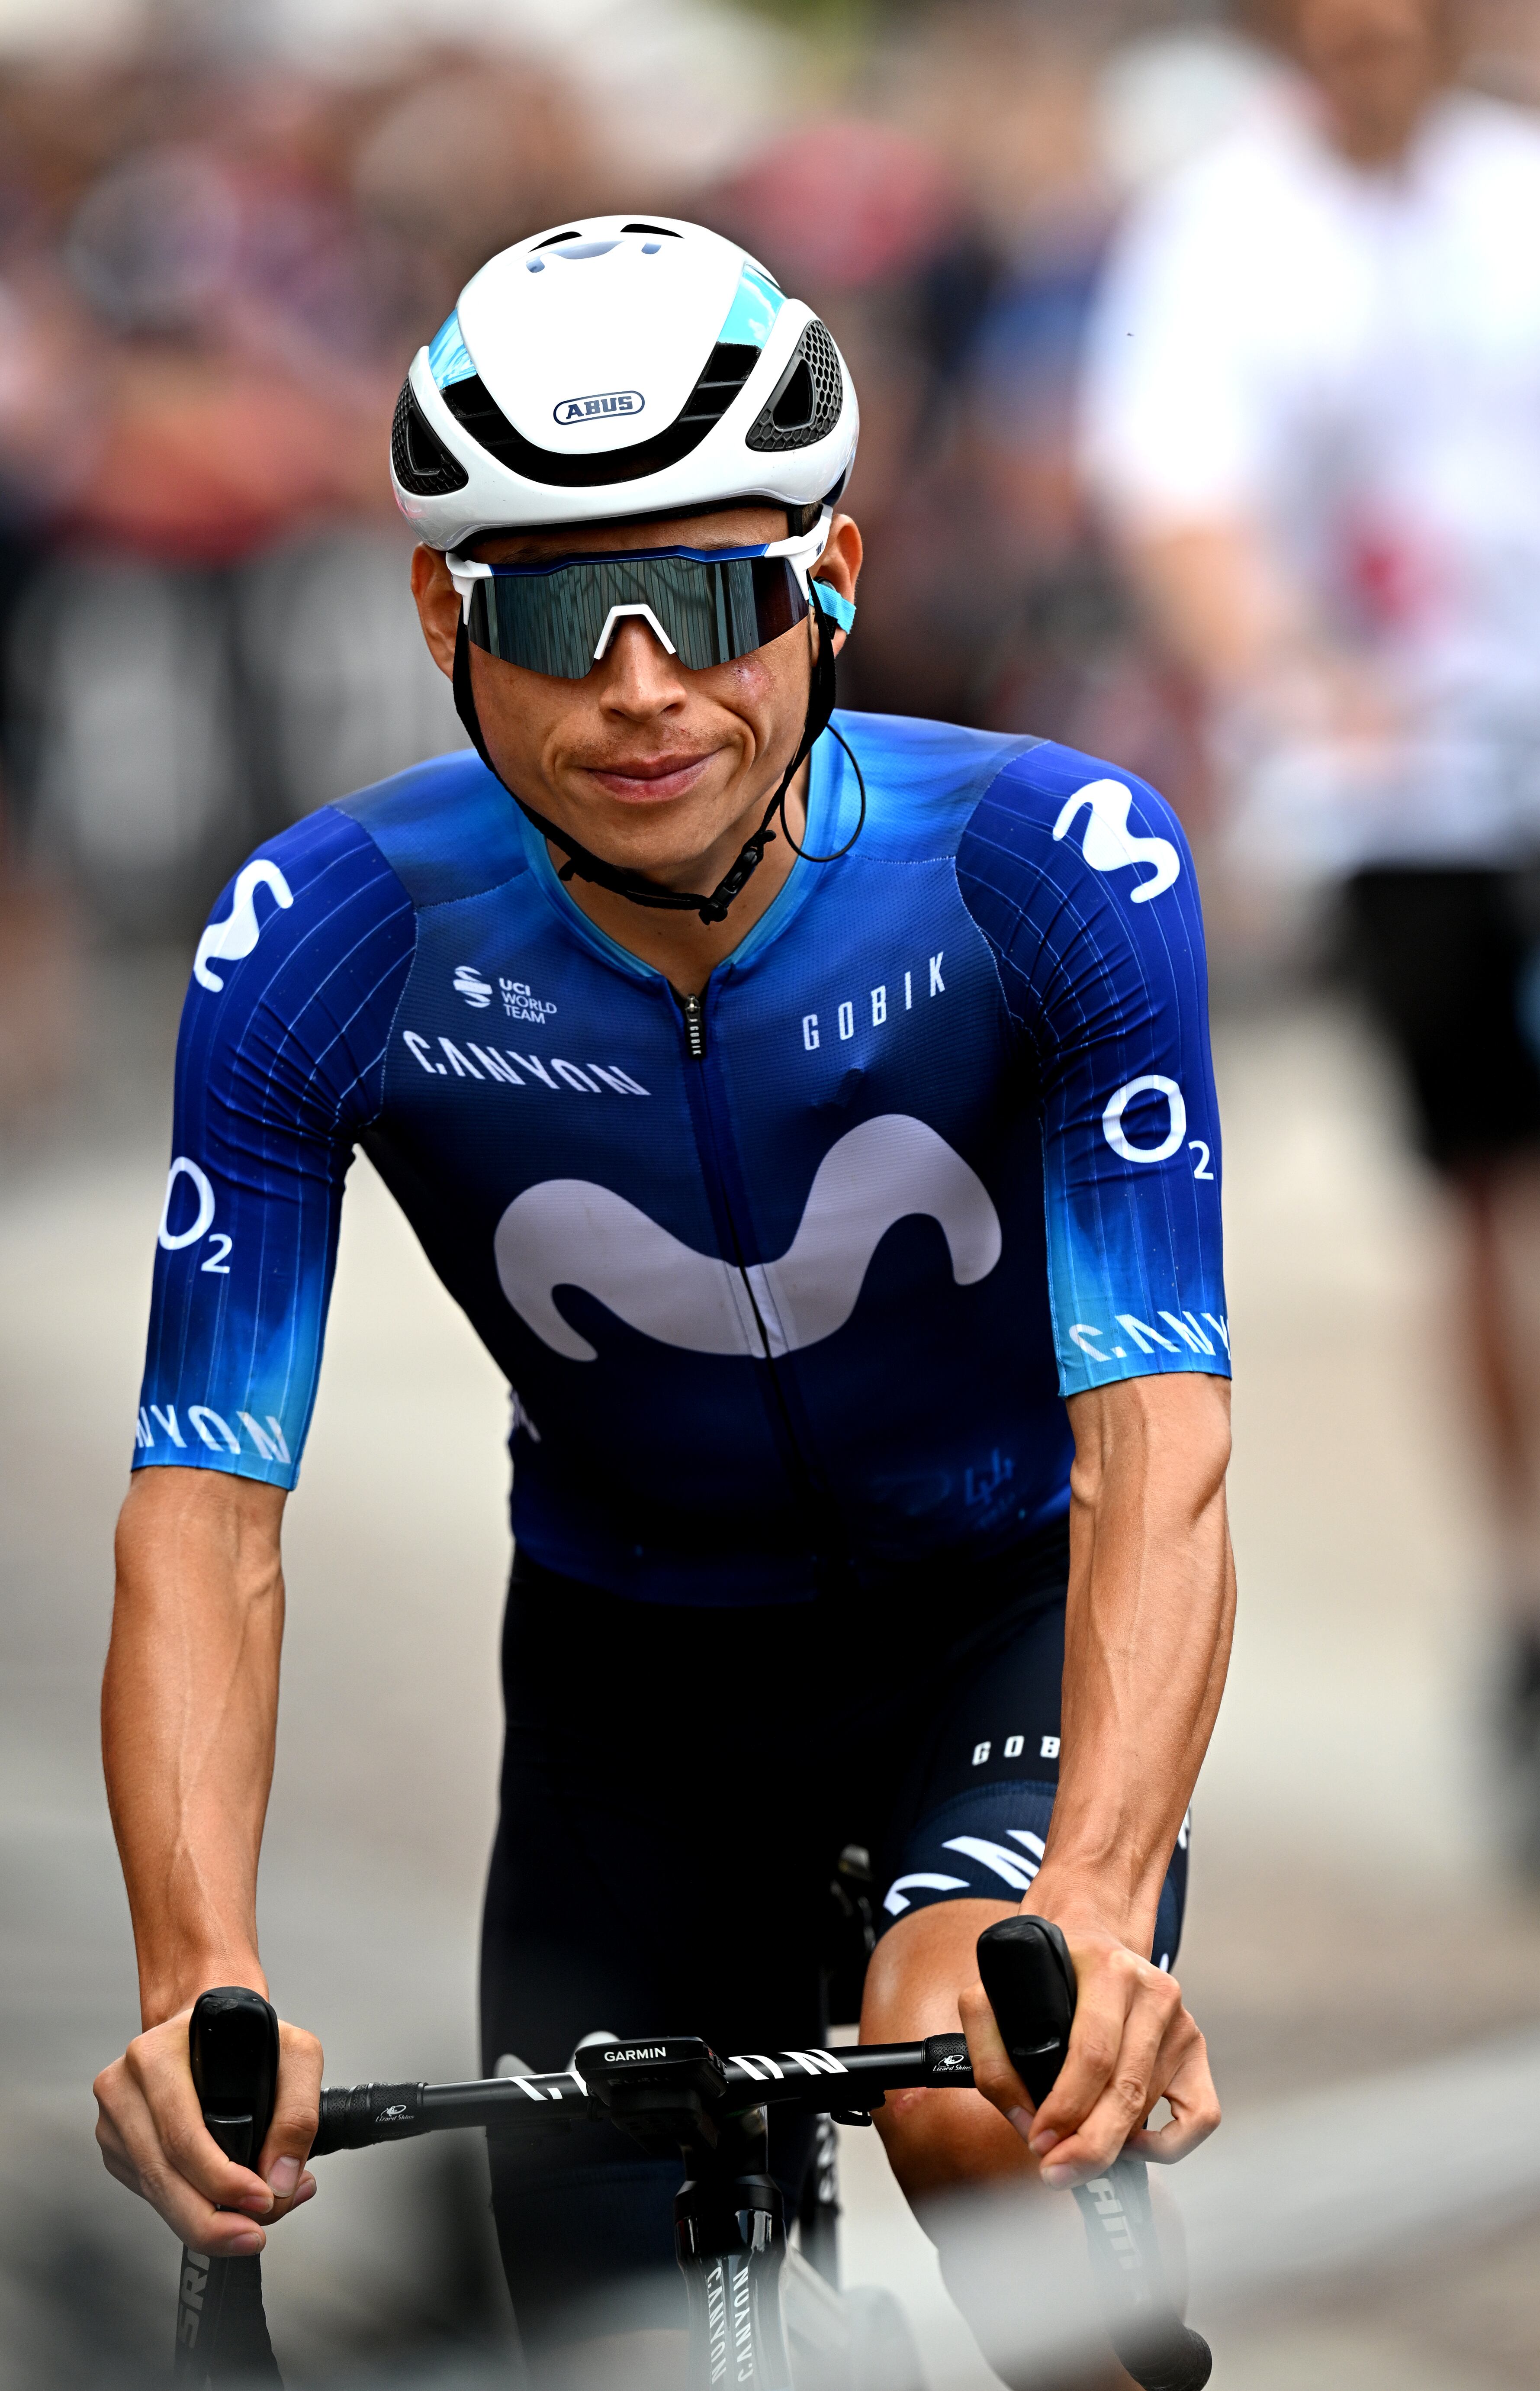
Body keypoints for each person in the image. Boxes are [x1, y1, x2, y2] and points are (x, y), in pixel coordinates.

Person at [92, 216, 1235, 2386]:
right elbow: (203, 1504)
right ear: (442, 611)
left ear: (832, 579)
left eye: (710, 593)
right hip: (637, 1688)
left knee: (985, 2085)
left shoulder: (1050, 868)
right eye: (551, 607)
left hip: (993, 1621)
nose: (639, 684)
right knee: (602, 2344)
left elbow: (1157, 1429)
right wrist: (193, 1982)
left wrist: (1092, 1897)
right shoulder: (327, 940)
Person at [1081, 0, 1540, 1871]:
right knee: (1492, 1198)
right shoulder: (1222, 230)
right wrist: (1289, 671)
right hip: (1412, 794)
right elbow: (1183, 498)